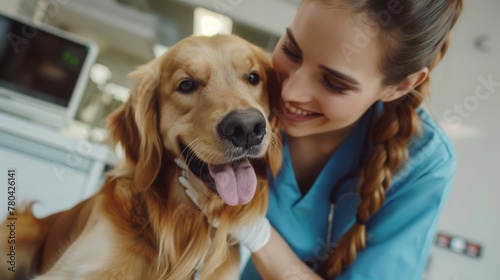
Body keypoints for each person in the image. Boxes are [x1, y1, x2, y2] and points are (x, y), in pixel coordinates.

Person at [179, 0, 464, 279]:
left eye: (334, 83)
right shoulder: (249, 92)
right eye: (291, 50)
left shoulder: (424, 161)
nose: (290, 92)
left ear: (400, 86)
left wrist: (258, 235)